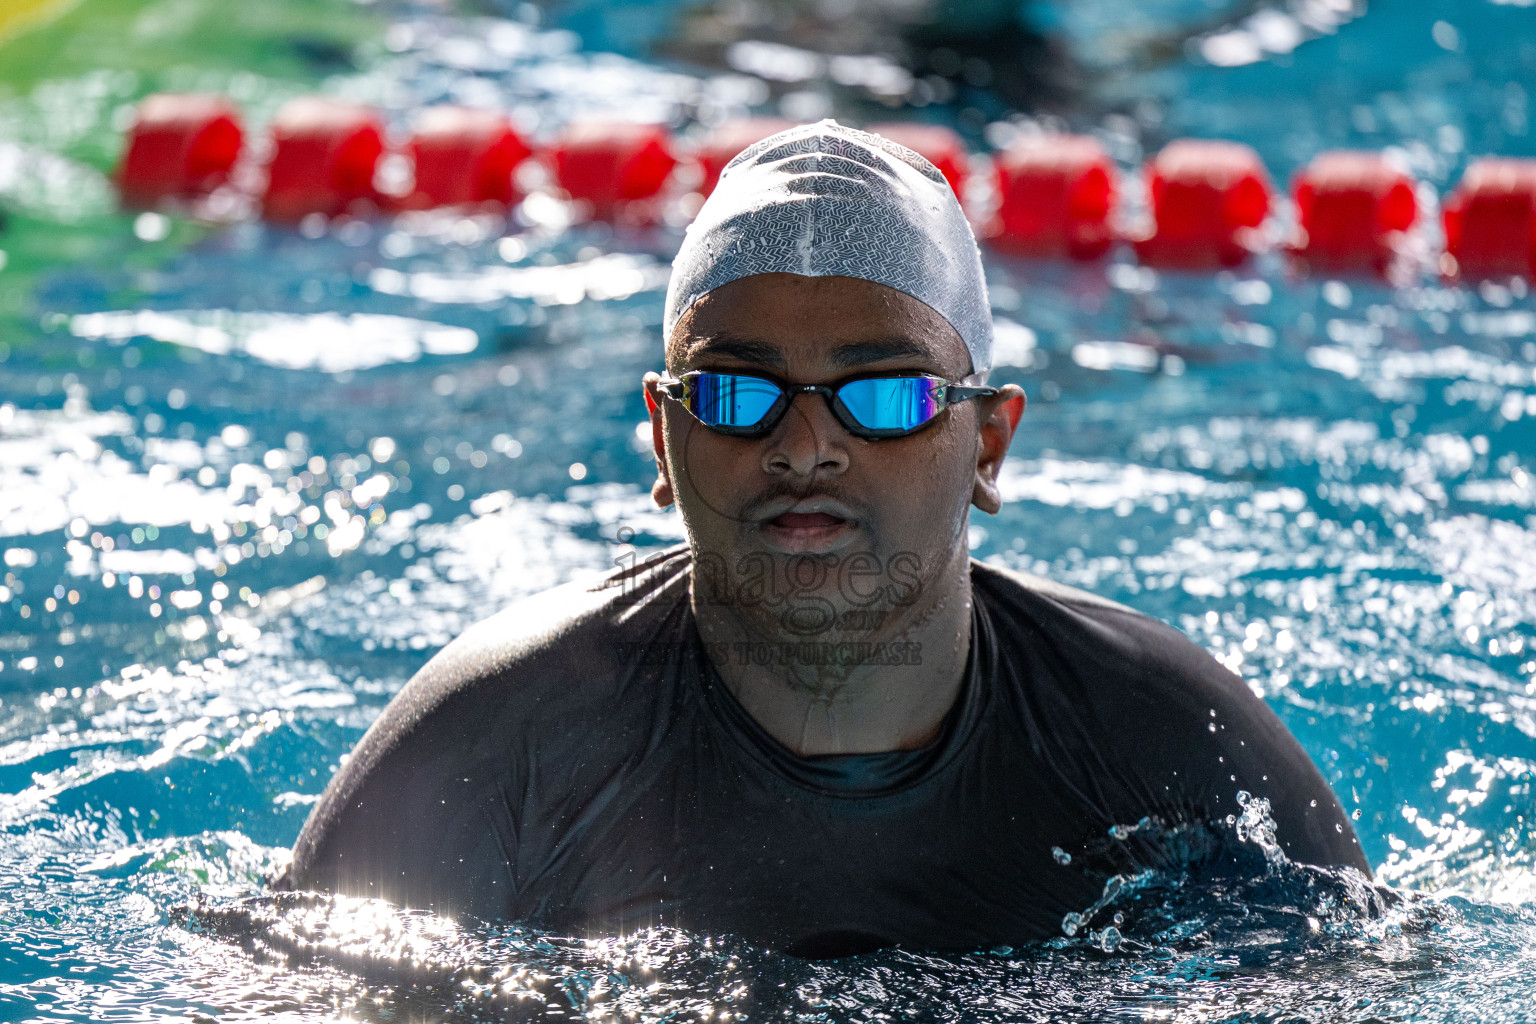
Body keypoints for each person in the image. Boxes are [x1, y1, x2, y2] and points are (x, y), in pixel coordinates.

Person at [279, 121, 1368, 956]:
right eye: (737, 392)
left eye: (884, 394)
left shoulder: (1167, 744)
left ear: (988, 441)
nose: (804, 443)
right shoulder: (488, 749)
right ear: (664, 438)